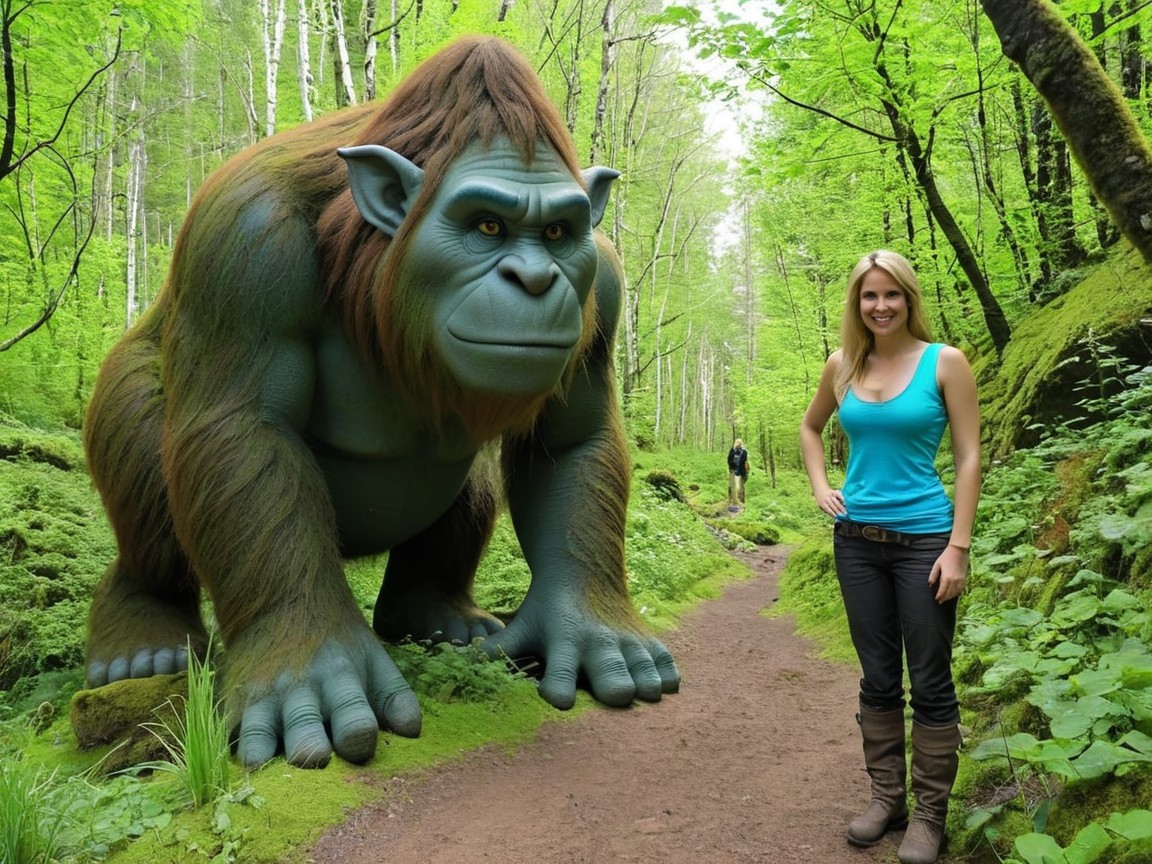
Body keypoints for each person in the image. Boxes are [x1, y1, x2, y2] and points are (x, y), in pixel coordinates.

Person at [799, 250, 980, 864]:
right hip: (856, 543)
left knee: (929, 677)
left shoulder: (944, 362)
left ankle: (929, 816)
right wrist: (821, 486)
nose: (881, 306)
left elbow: (968, 458)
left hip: (926, 543)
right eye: (869, 296)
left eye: (891, 294)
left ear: (909, 298)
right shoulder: (842, 365)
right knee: (878, 675)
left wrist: (958, 547)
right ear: (857, 303)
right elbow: (810, 428)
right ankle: (887, 799)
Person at [727, 438, 750, 508]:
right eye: (737, 442)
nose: (738, 444)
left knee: (740, 488)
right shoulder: (732, 450)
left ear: (741, 444)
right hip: (733, 471)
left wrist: (746, 472)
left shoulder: (744, 452)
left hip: (741, 472)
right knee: (731, 486)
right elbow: (729, 460)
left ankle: (741, 503)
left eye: (739, 443)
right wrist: (731, 466)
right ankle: (731, 501)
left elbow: (745, 462)